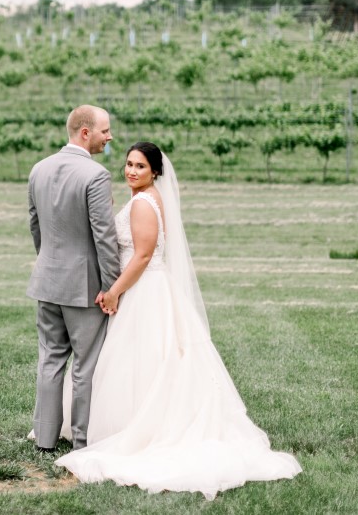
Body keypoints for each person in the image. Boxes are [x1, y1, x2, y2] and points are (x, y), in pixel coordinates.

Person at [55, 142, 302, 499]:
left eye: (140, 166)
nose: (131, 171)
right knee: (153, 359)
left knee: (141, 360)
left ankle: (137, 429)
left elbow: (140, 257)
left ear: (154, 171)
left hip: (143, 289)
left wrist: (113, 293)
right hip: (153, 287)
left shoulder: (142, 202)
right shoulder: (152, 197)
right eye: (128, 164)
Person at [26, 105, 121, 451]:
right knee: (85, 365)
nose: (109, 137)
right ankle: (82, 442)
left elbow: (35, 226)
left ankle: (46, 439)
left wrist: (49, 262)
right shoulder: (95, 175)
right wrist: (112, 288)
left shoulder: (39, 169)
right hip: (84, 288)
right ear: (85, 132)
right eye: (105, 131)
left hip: (47, 281)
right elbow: (104, 237)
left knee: (50, 359)